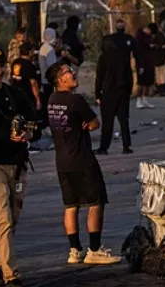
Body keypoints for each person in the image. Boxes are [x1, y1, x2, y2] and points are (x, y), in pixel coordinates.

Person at [45, 62, 121, 266]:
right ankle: (94, 249)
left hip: (62, 162)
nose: (73, 73)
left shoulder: (52, 100)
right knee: (96, 202)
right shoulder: (75, 100)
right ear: (60, 80)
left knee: (71, 205)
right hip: (82, 159)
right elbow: (95, 123)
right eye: (68, 72)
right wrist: (88, 125)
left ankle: (74, 250)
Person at [0, 47, 38, 286]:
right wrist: (6, 135)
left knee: (12, 218)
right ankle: (10, 273)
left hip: (17, 163)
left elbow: (34, 123)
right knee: (3, 215)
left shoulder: (15, 94)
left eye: (1, 66)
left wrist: (27, 133)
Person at [94, 35, 134, 155]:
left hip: (108, 93)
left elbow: (99, 77)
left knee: (107, 122)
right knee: (123, 121)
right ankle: (126, 146)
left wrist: (97, 94)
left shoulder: (103, 57)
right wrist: (129, 91)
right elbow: (129, 75)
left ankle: (104, 147)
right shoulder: (123, 56)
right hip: (122, 91)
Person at [9, 43, 41, 113]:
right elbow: (33, 83)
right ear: (29, 52)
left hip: (15, 94)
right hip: (26, 96)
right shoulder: (29, 65)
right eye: (32, 51)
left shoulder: (15, 62)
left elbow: (11, 78)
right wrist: (38, 100)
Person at [134, 24, 157, 109]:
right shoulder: (139, 37)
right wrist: (140, 65)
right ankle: (138, 100)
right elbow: (138, 52)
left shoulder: (149, 37)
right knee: (141, 83)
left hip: (149, 63)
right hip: (141, 63)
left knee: (148, 83)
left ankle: (145, 100)